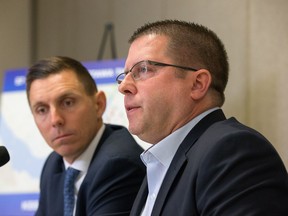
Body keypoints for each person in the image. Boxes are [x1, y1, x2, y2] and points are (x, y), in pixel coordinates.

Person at [116, 20, 288, 215]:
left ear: (198, 84)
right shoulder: (160, 163)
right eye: (125, 75)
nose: (123, 87)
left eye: (144, 69)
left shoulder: (232, 151)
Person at [26, 56, 145, 216]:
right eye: (42, 110)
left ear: (99, 105)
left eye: (67, 102)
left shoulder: (119, 164)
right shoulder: (54, 164)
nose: (55, 120)